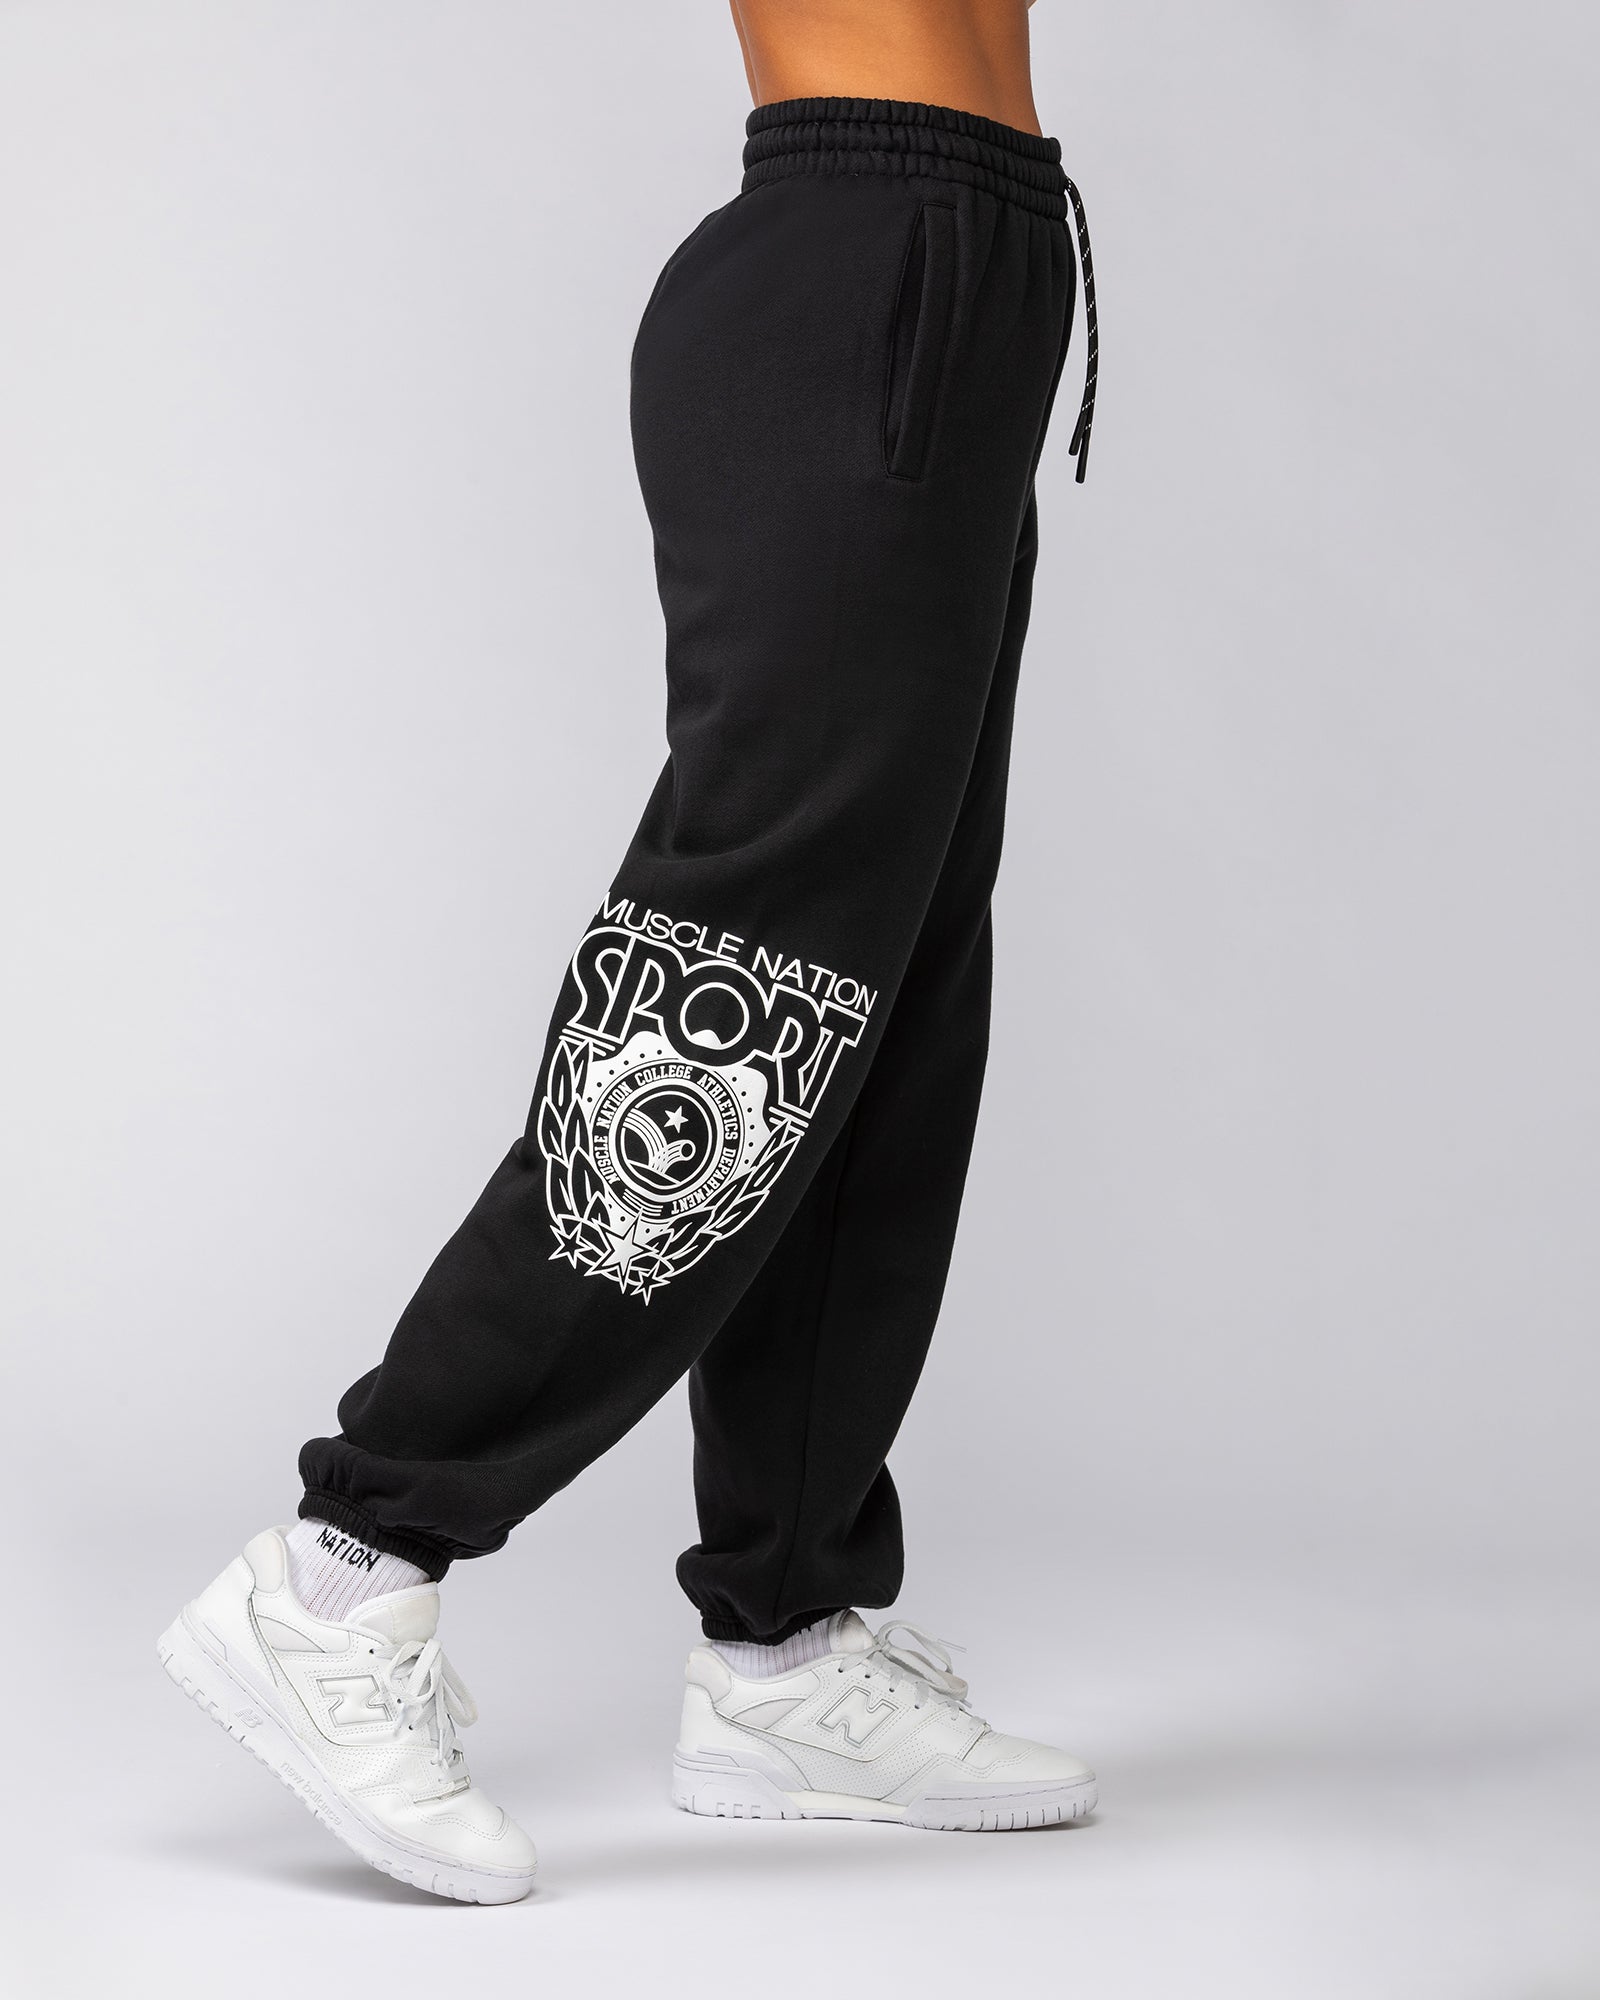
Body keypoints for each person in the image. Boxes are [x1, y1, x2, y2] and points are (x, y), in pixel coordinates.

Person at [160, 0, 1100, 1903]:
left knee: (893, 999)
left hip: (973, 274)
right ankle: (348, 1565)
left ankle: (786, 1639)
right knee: (745, 998)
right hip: (869, 268)